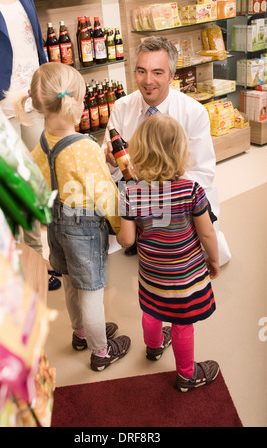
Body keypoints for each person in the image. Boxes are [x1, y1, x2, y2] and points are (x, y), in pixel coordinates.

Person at [13, 61, 131, 371]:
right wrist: (122, 227)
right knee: (91, 290)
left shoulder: (41, 142)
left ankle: (80, 332)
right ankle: (101, 351)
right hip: (84, 231)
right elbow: (104, 193)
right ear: (74, 102)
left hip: (55, 227)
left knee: (69, 284)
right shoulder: (85, 147)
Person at [104, 36, 231, 266]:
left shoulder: (194, 112)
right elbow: (109, 170)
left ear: (172, 76)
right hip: (135, 196)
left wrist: (164, 194)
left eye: (157, 73)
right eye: (141, 71)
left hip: (178, 200)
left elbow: (203, 173)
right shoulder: (122, 107)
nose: (147, 80)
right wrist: (112, 162)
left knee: (194, 252)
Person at [116, 113, 220, 392]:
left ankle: (153, 347)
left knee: (151, 310)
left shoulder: (130, 192)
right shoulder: (191, 190)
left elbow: (126, 240)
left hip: (151, 273)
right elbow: (207, 232)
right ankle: (187, 375)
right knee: (182, 323)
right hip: (184, 276)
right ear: (180, 153)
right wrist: (214, 259)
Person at [0, 0, 60, 290]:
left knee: (35, 183)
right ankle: (19, 268)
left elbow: (34, 37)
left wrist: (45, 81)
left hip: (33, 98)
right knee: (11, 192)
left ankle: (37, 256)